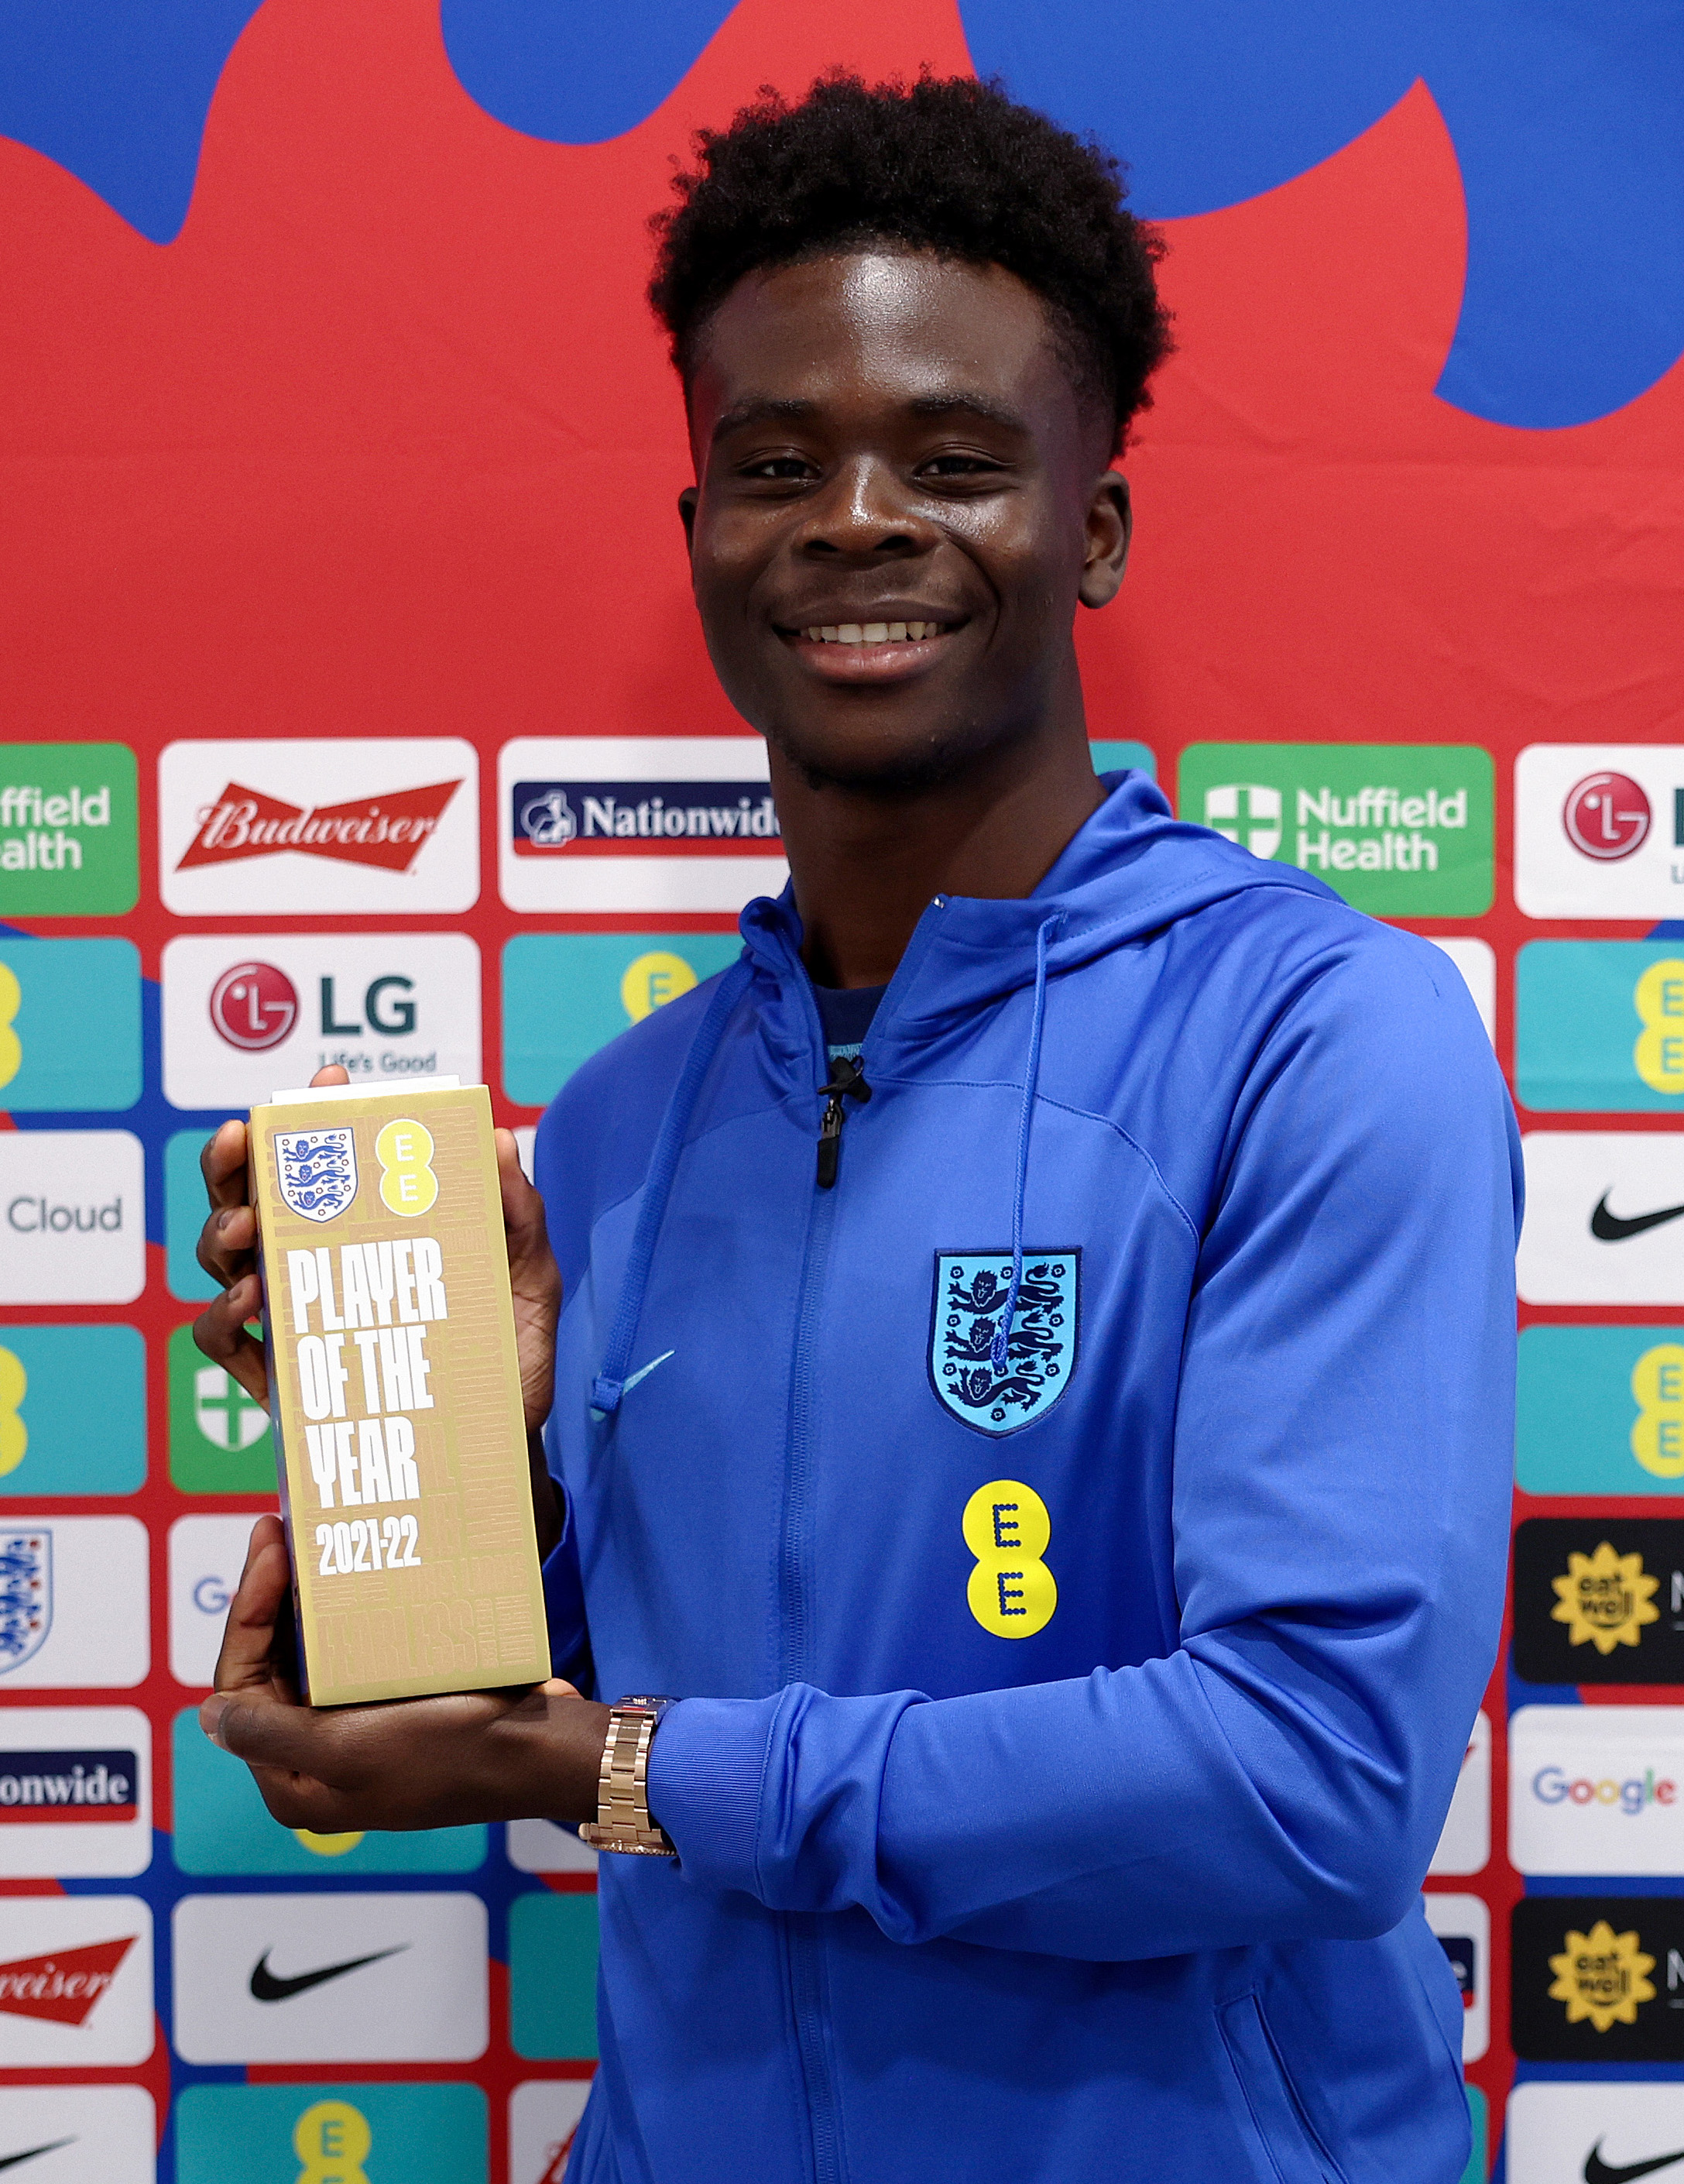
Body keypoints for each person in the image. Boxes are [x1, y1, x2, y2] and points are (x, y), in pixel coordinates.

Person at [193, 74, 1521, 2184]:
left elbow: (1304, 1777)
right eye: (774, 464)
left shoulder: (1311, 1032)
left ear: (1087, 525)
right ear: (700, 531)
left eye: (955, 459)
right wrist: (468, 1489)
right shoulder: (624, 1126)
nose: (854, 518)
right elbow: (677, 1683)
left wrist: (604, 1765)